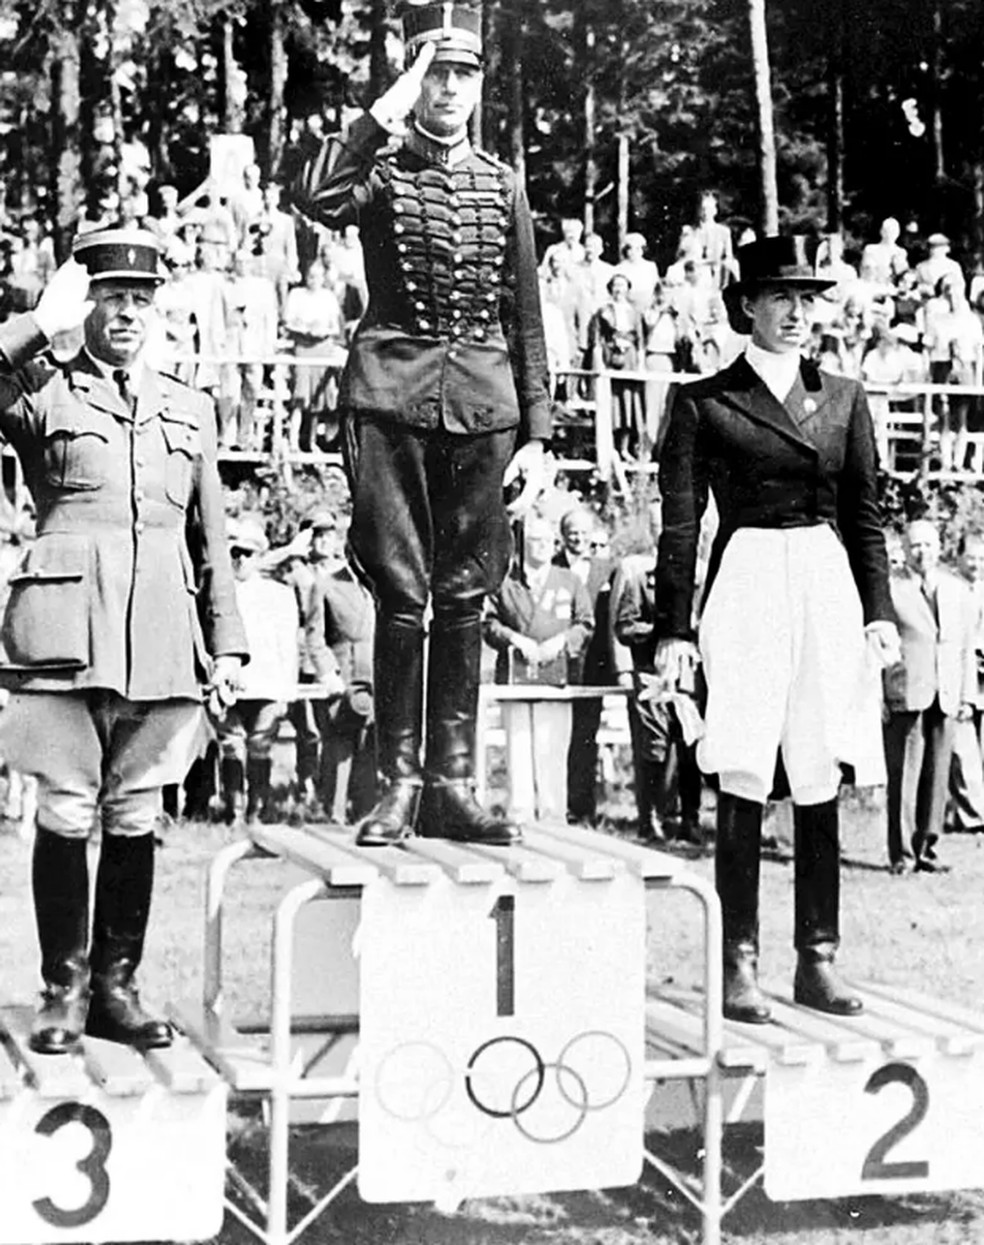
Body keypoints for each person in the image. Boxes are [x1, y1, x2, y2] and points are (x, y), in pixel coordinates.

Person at [291, 0, 551, 847]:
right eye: (435, 73)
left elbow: (527, 318)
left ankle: (452, 783)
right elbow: (315, 191)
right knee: (402, 594)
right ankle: (397, 783)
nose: (449, 89)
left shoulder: (501, 183)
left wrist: (540, 434)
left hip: (482, 408)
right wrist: (382, 110)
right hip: (392, 399)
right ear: (414, 81)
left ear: (479, 87)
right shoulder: (382, 171)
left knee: (466, 595)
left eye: (462, 75)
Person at [0, 226, 246, 1053]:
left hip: (162, 638)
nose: (129, 313)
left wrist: (231, 642)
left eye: (142, 300)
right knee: (67, 809)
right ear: (88, 304)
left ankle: (116, 987)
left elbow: (211, 536)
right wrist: (38, 321)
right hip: (66, 635)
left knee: (136, 811)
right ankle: (64, 990)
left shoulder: (189, 406)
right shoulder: (45, 392)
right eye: (112, 298)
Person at [655, 235, 899, 1024]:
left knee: (821, 759)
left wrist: (878, 611)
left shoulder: (846, 397)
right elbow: (682, 527)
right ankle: (738, 962)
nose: (799, 313)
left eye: (809, 298)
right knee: (745, 764)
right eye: (782, 297)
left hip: (824, 581)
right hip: (750, 581)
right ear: (747, 306)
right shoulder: (704, 400)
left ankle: (817, 958)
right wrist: (674, 627)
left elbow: (865, 517)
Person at [484, 514, 593, 822]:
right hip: (514, 678)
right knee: (518, 750)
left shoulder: (569, 580)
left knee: (552, 749)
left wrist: (561, 642)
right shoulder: (505, 582)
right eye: (535, 540)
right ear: (522, 543)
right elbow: (488, 623)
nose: (543, 546)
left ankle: (553, 817)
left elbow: (585, 623)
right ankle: (519, 817)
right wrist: (515, 639)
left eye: (548, 540)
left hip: (555, 679)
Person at [883, 518, 976, 874]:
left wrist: (967, 696)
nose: (922, 551)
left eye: (928, 544)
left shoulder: (957, 591)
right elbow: (878, 649)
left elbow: (966, 648)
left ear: (940, 548)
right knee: (904, 778)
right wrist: (880, 696)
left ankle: (927, 848)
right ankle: (902, 854)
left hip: (947, 693)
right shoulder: (892, 590)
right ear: (905, 550)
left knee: (937, 777)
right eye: (915, 545)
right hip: (907, 693)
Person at [214, 516, 300, 827]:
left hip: (267, 684)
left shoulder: (278, 595)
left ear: (260, 557)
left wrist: (287, 691)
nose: (240, 560)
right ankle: (233, 811)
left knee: (260, 746)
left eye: (247, 554)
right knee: (231, 746)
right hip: (230, 686)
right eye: (235, 553)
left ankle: (257, 811)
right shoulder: (217, 593)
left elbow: (288, 645)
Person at [305, 509, 377, 824]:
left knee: (370, 746)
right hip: (343, 674)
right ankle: (332, 814)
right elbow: (314, 636)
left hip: (377, 673)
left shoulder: (382, 585)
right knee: (339, 746)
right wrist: (327, 673)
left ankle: (366, 812)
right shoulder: (326, 584)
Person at [553, 507, 622, 824]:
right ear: (562, 535)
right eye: (571, 532)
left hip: (593, 666)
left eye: (582, 532)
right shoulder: (551, 567)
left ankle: (582, 808)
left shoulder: (606, 569)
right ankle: (555, 804)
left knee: (585, 736)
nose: (577, 538)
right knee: (557, 735)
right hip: (557, 664)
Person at [948, 531, 984, 835]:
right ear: (958, 557)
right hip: (961, 676)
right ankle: (972, 816)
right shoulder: (951, 589)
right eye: (971, 557)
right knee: (962, 751)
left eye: (981, 558)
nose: (976, 564)